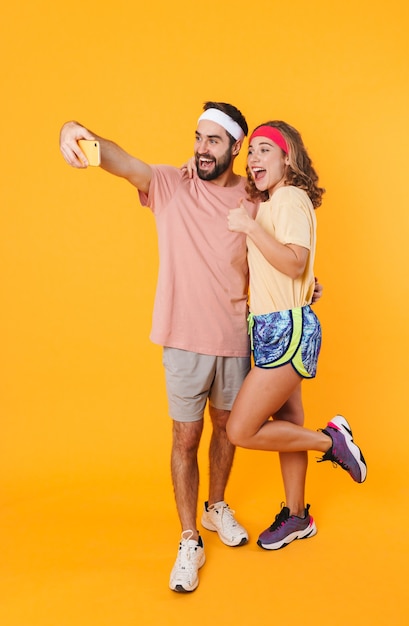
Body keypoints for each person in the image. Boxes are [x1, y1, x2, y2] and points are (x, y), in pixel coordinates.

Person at [60, 102, 260, 593]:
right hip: (184, 340)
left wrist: (306, 286)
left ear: (235, 147)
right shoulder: (170, 185)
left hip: (236, 337)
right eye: (198, 137)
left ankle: (216, 507)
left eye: (214, 141)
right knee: (185, 440)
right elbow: (121, 161)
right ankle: (190, 536)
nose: (201, 148)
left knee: (227, 431)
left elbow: (275, 259)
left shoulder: (256, 201)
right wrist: (75, 130)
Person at [226, 120, 367, 551]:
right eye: (250, 152)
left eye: (264, 150)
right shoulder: (275, 203)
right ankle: (298, 515)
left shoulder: (287, 197)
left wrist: (250, 229)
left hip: (285, 331)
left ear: (288, 157)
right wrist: (307, 286)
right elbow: (294, 269)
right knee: (286, 423)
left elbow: (292, 260)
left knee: (240, 430)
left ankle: (332, 442)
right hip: (279, 325)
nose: (253, 160)